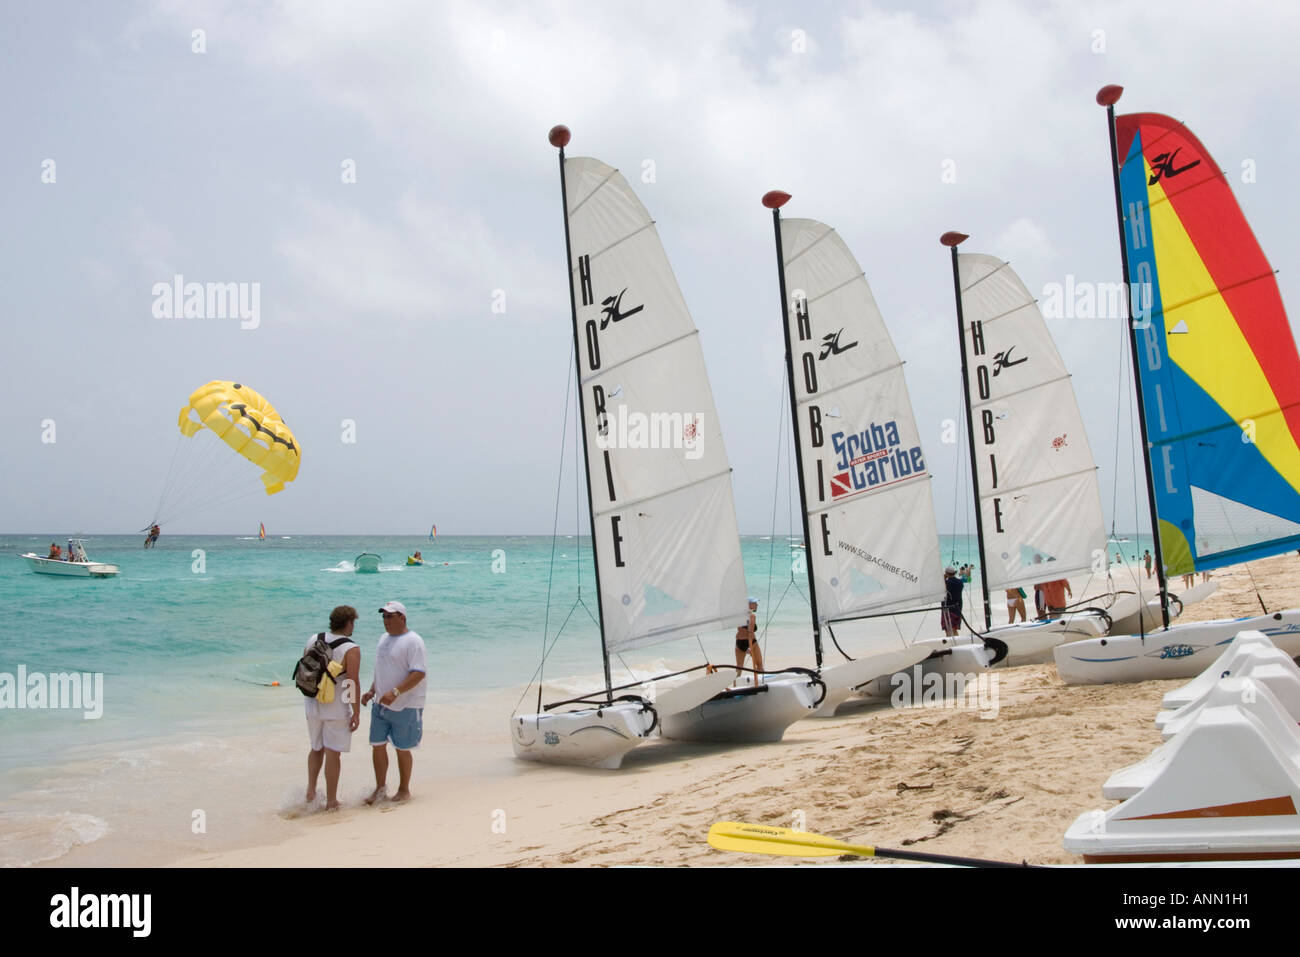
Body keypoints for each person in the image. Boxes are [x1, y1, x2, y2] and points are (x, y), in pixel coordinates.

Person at [362, 600, 427, 804]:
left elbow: (418, 673)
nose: (386, 620)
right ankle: (380, 789)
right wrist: (372, 690)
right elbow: (381, 669)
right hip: (381, 703)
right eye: (383, 616)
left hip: (406, 704)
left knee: (402, 747)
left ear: (402, 618)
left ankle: (404, 790)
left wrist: (396, 692)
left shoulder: (414, 641)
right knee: (377, 745)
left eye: (390, 616)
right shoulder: (383, 639)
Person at [304, 605, 361, 810]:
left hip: (311, 704)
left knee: (315, 748)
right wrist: (356, 711)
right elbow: (352, 682)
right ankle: (331, 801)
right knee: (332, 752)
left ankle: (310, 791)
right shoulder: (351, 648)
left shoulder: (313, 639)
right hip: (335, 707)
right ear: (349, 623)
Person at [734, 597, 765, 677]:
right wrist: (749, 647)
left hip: (739, 642)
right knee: (760, 665)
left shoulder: (739, 616)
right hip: (751, 642)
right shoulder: (751, 616)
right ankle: (760, 683)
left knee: (739, 667)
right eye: (754, 603)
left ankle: (735, 686)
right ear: (748, 604)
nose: (757, 605)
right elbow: (750, 632)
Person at [941, 567, 963, 637]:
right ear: (955, 573)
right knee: (954, 629)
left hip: (948, 608)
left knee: (948, 629)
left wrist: (943, 578)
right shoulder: (960, 582)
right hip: (958, 607)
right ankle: (957, 643)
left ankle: (952, 645)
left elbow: (941, 587)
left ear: (947, 574)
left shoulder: (946, 583)